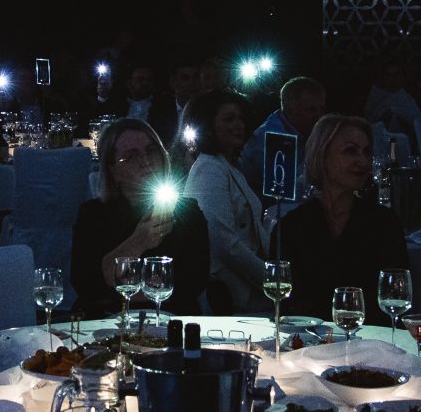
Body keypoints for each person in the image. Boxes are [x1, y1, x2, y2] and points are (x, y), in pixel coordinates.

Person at [69, 118, 209, 319]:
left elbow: (195, 280)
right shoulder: (94, 215)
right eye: (132, 156)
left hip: (172, 319)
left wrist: (124, 289)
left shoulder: (186, 211)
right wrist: (140, 241)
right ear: (113, 170)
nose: (146, 161)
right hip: (107, 321)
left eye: (152, 151)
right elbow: (86, 283)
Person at [275, 116, 408, 323]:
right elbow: (286, 306)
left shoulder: (384, 223)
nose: (363, 162)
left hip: (371, 338)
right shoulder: (292, 227)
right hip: (310, 338)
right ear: (323, 156)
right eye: (350, 151)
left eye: (366, 152)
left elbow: (394, 297)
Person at [184, 89, 270, 313]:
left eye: (241, 118)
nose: (238, 125)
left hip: (245, 283)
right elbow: (223, 242)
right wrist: (271, 276)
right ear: (208, 126)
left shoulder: (227, 165)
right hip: (231, 290)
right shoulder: (209, 169)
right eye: (229, 119)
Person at [239, 76, 325, 222]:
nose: (318, 116)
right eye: (310, 110)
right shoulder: (274, 140)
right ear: (289, 108)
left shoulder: (302, 131)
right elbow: (286, 198)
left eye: (321, 109)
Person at [363, 57, 421, 134]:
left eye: (396, 74)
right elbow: (367, 121)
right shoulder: (376, 96)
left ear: (401, 76)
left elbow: (419, 123)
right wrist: (383, 117)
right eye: (389, 75)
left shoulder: (407, 99)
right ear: (383, 77)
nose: (392, 79)